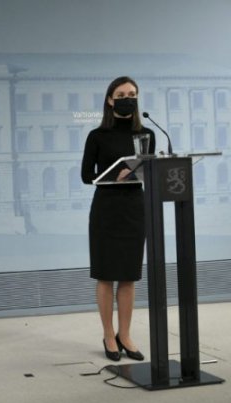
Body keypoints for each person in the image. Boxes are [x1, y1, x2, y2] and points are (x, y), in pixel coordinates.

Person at [81, 76, 155, 362]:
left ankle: (126, 335)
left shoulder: (147, 134)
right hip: (106, 209)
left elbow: (148, 168)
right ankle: (109, 335)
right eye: (122, 93)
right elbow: (87, 176)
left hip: (134, 208)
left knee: (129, 275)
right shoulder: (97, 136)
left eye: (133, 93)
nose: (128, 98)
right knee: (106, 274)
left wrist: (139, 172)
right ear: (110, 99)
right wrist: (115, 175)